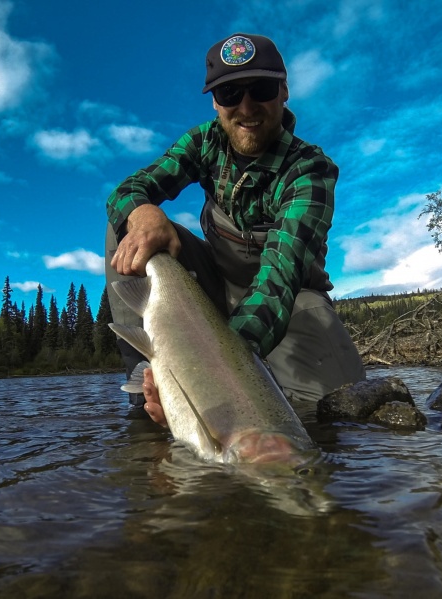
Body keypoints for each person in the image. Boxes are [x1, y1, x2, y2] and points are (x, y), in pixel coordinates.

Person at [105, 33, 366, 425]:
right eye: (229, 94)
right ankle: (147, 378)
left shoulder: (309, 170)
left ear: (284, 91)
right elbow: (126, 191)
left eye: (260, 89)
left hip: (291, 300)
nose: (246, 107)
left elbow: (280, 278)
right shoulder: (204, 142)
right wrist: (143, 213)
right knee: (128, 229)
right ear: (215, 101)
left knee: (324, 416)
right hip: (214, 286)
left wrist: (212, 374)